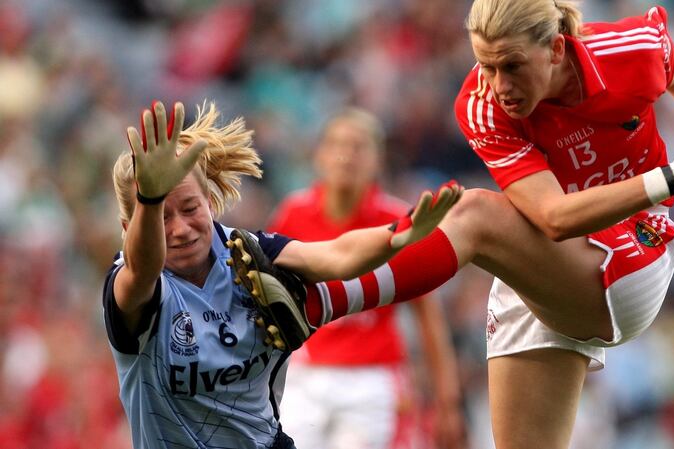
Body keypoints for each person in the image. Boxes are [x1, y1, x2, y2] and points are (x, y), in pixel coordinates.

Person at [234, 2, 674, 449]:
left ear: (557, 48)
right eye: (486, 66)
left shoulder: (623, 51)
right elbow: (552, 217)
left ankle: (315, 304)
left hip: (636, 250)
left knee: (471, 212)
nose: (497, 85)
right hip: (552, 264)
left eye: (512, 66)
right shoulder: (481, 104)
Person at [103, 100, 462, 449]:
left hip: (360, 389)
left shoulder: (244, 253)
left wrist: (395, 236)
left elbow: (336, 256)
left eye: (190, 207)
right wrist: (149, 200)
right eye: (161, 217)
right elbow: (144, 266)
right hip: (312, 381)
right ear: (128, 227)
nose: (180, 229)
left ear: (210, 202)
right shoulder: (133, 284)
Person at [267, 108, 466, 449]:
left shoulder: (399, 220)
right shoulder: (293, 213)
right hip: (306, 375)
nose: (346, 156)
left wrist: (447, 401)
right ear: (319, 156)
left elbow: (428, 316)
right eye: (336, 145)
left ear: (378, 160)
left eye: (358, 146)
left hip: (375, 381)